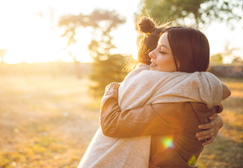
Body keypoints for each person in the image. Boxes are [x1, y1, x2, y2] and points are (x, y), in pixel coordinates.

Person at [78, 18, 230, 168]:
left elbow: (112, 125)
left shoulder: (180, 108)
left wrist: (111, 89)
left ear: (185, 61)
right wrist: (217, 116)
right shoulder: (192, 92)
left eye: (162, 51)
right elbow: (218, 89)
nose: (151, 53)